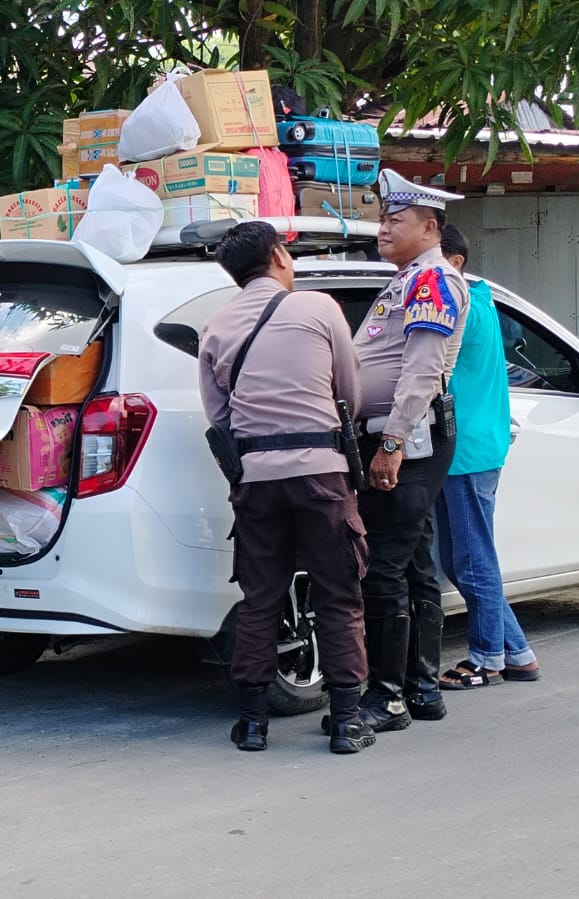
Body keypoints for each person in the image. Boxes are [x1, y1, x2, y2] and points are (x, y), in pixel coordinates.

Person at [198, 221, 376, 755]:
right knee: (339, 595)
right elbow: (352, 392)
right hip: (322, 472)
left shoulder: (216, 325)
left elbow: (219, 416)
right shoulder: (320, 309)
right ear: (279, 255)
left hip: (255, 480)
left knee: (260, 598)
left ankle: (252, 724)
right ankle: (346, 723)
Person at [347, 170, 470, 732]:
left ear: (430, 227)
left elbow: (421, 372)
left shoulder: (431, 281)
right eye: (382, 219)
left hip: (408, 439)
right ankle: (423, 689)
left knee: (386, 569)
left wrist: (391, 444)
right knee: (416, 562)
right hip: (401, 436)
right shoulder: (406, 280)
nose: (382, 229)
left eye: (395, 221)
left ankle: (388, 697)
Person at [434, 225, 540, 689]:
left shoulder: (461, 304)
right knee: (464, 559)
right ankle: (517, 653)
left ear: (454, 261)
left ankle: (485, 660)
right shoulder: (480, 297)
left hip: (466, 448)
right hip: (476, 444)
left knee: (472, 558)